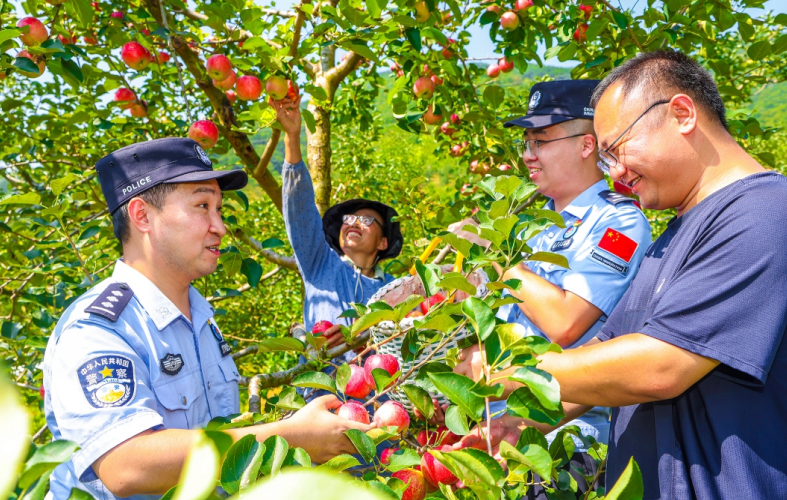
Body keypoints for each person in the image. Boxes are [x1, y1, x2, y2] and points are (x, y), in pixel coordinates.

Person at [453, 50, 787, 499]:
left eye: (616, 150)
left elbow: (660, 365)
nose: (617, 173)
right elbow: (603, 358)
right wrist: (515, 422)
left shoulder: (763, 212)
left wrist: (508, 371)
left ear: (681, 114)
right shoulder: (673, 236)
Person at [41, 138, 375, 500]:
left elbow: (214, 438)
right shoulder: (98, 329)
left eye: (219, 209)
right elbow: (126, 465)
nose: (220, 226)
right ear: (142, 216)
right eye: (202, 206)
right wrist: (290, 435)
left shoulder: (201, 319)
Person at [448, 79, 652, 498]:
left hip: (564, 443)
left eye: (540, 140)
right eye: (525, 141)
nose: (527, 154)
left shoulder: (619, 224)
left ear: (586, 145)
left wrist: (497, 255)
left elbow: (566, 322)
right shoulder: (527, 227)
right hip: (490, 431)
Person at [271, 96, 403, 359]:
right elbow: (300, 211)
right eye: (348, 219)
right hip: (322, 393)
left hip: (380, 398)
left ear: (383, 242)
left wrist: (359, 334)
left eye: (366, 220)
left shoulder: (396, 289)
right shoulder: (320, 263)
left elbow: (403, 341)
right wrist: (292, 137)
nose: (353, 222)